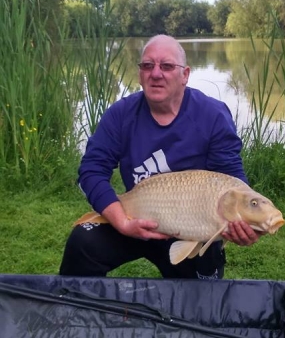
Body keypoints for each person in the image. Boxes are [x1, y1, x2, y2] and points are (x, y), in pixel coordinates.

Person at [59, 34, 261, 280]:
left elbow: (230, 179)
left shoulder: (213, 115)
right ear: (140, 73)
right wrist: (122, 221)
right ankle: (81, 313)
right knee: (83, 242)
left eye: (166, 66)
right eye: (147, 65)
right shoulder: (121, 114)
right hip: (136, 218)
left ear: (184, 75)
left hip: (193, 230)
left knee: (200, 296)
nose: (156, 73)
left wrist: (245, 222)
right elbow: (91, 170)